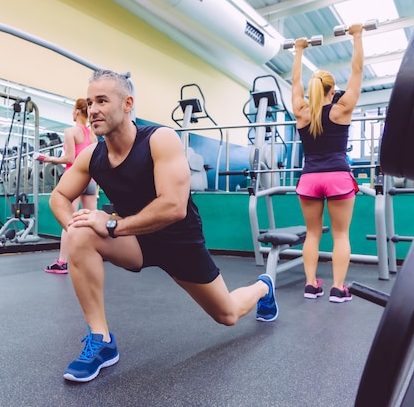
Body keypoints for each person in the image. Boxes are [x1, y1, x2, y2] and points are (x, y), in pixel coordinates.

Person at [49, 69, 278, 383]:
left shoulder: (160, 139)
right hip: (135, 241)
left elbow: (173, 207)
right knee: (80, 232)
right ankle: (101, 340)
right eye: (90, 102)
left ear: (127, 104)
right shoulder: (92, 155)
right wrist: (75, 228)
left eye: (102, 100)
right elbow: (59, 196)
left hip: (177, 242)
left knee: (227, 314)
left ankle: (264, 286)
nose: (94, 110)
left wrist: (113, 226)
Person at [291, 23, 364, 303]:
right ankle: (338, 288)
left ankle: (311, 285)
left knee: (312, 234)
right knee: (341, 234)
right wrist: (356, 36)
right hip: (337, 178)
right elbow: (357, 71)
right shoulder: (342, 108)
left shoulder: (301, 110)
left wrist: (298, 51)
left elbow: (295, 82)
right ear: (333, 90)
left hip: (309, 178)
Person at [39, 98, 98, 274]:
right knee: (92, 220)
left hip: (74, 179)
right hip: (91, 180)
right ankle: (93, 257)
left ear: (77, 112)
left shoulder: (71, 131)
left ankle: (62, 262)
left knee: (69, 220)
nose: (72, 113)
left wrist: (48, 159)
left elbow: (70, 158)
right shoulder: (93, 134)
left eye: (73, 110)